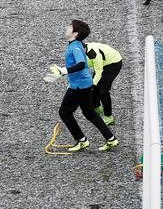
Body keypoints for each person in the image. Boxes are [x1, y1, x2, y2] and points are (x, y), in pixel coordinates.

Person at [47, 20, 119, 152]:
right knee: (89, 113)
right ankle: (111, 139)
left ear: (75, 33)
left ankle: (81, 140)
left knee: (64, 112)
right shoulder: (78, 44)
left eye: (70, 27)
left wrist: (64, 71)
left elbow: (81, 64)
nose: (67, 28)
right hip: (84, 84)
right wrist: (61, 73)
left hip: (79, 86)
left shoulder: (74, 47)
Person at [85, 42, 123, 126]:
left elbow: (98, 73)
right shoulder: (77, 51)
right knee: (94, 88)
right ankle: (97, 108)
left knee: (103, 91)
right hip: (102, 63)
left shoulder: (93, 54)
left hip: (113, 63)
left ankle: (109, 117)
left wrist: (91, 85)